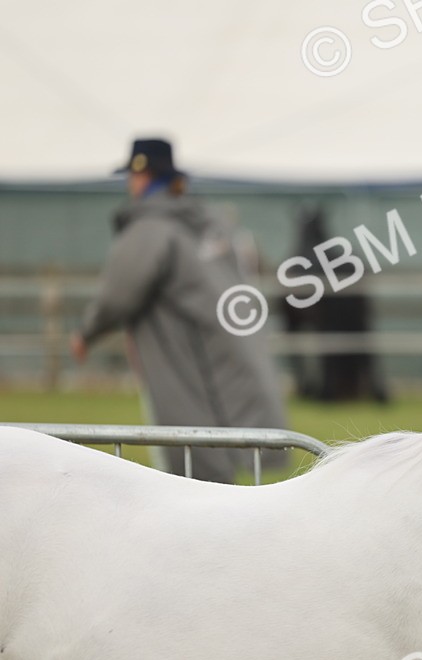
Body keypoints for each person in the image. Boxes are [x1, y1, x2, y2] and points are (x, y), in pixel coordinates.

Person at [71, 138, 288, 482]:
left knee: (188, 454)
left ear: (143, 177)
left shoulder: (150, 229)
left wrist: (86, 333)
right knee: (219, 446)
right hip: (228, 346)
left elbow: (118, 294)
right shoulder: (210, 223)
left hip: (180, 353)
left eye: (132, 175)